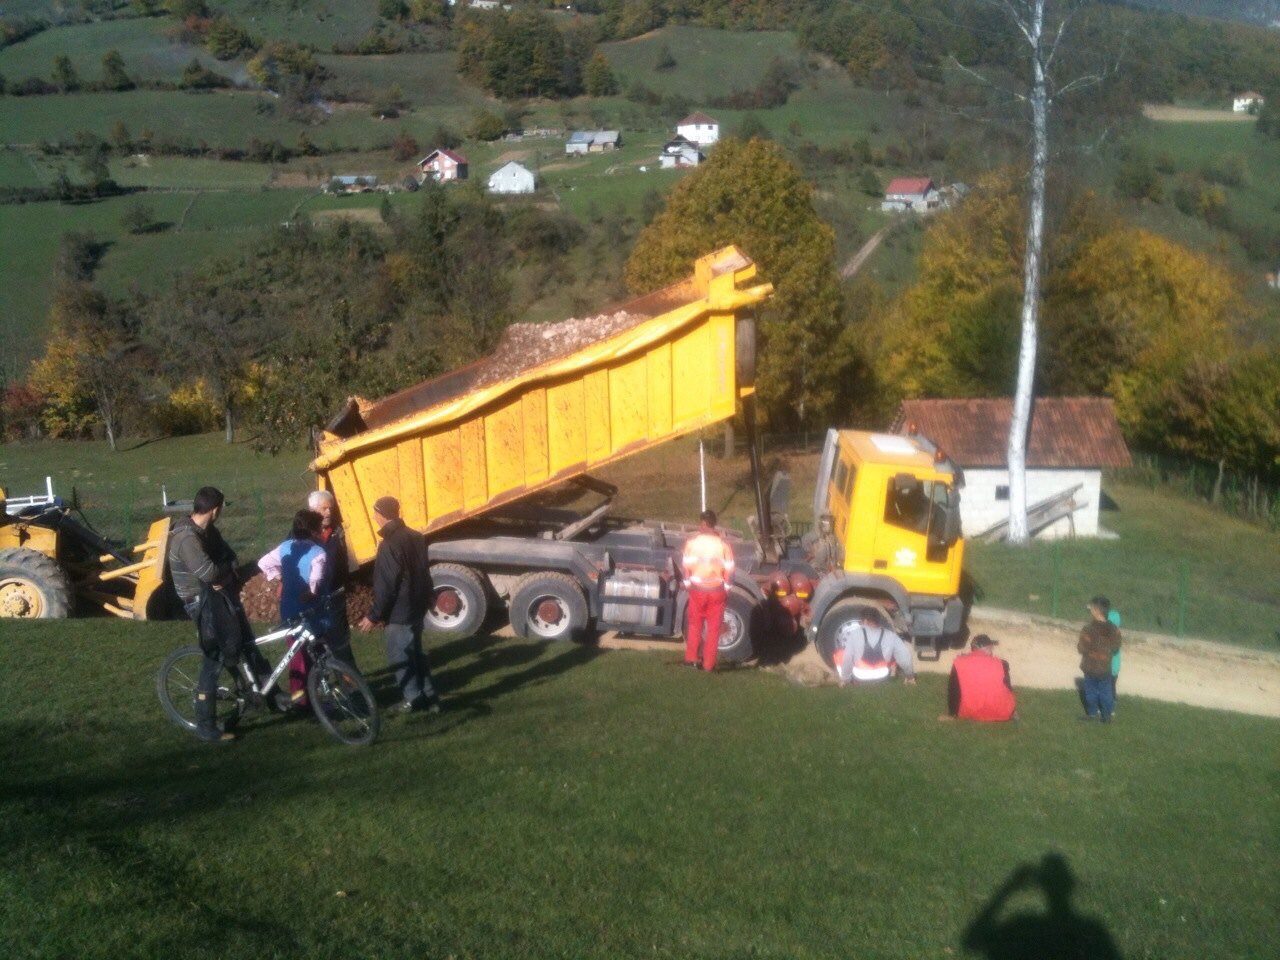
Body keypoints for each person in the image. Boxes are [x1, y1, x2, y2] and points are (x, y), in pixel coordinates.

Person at [168, 486, 281, 743]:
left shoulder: (208, 532)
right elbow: (208, 574)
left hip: (219, 596)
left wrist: (225, 573)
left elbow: (230, 557)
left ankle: (274, 696)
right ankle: (205, 724)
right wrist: (222, 573)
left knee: (248, 643)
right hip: (200, 602)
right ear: (215, 510)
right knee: (214, 657)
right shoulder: (187, 538)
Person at [357, 496, 441, 714]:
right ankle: (431, 698)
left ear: (381, 514)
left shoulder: (389, 545)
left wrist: (373, 615)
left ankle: (412, 699)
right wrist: (430, 596)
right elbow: (424, 571)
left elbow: (387, 585)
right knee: (417, 654)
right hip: (417, 604)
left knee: (400, 656)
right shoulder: (416, 536)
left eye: (375, 512)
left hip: (400, 611)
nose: (374, 516)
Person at [257, 509, 329, 709]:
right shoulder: (318, 553)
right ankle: (311, 698)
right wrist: (312, 592)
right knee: (316, 651)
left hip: (289, 607)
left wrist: (281, 578)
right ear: (314, 531)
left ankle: (301, 696)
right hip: (311, 608)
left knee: (296, 654)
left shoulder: (285, 547)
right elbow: (316, 579)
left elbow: (263, 563)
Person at [308, 489, 358, 669]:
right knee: (316, 647)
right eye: (324, 509)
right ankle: (325, 684)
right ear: (313, 510)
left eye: (330, 508)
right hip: (313, 600)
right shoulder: (303, 533)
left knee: (341, 645)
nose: (329, 513)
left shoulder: (338, 532)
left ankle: (354, 686)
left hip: (335, 596)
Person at [680, 509, 736, 672]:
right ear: (714, 524)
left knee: (695, 625)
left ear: (702, 523)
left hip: (697, 591)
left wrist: (687, 584)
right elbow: (730, 570)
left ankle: (691, 659)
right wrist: (726, 588)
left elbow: (686, 567)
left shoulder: (692, 543)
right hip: (717, 591)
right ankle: (709, 665)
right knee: (713, 629)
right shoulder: (723, 545)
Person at [833, 608, 916, 685]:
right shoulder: (891, 635)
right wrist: (910, 676)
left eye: (860, 622)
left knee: (840, 653)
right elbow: (905, 657)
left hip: (860, 677)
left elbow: (847, 658)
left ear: (865, 621)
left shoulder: (855, 634)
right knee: (894, 652)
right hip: (883, 677)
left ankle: (845, 680)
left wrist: (846, 679)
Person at [945, 634, 1017, 721]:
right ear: (985, 648)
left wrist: (952, 714)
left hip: (968, 710)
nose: (992, 650)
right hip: (1000, 711)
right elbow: (1008, 689)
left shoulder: (959, 662)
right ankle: (1012, 713)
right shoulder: (1002, 663)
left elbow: (954, 691)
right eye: (990, 648)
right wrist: (1012, 711)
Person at [1078, 596, 1121, 723]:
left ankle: (1092, 713)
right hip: (1104, 668)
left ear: (1097, 611)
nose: (1090, 610)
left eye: (1091, 608)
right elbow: (1116, 646)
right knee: (1106, 692)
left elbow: (1081, 648)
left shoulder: (1088, 629)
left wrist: (1088, 650)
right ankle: (1106, 716)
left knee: (1090, 691)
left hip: (1089, 666)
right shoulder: (1114, 629)